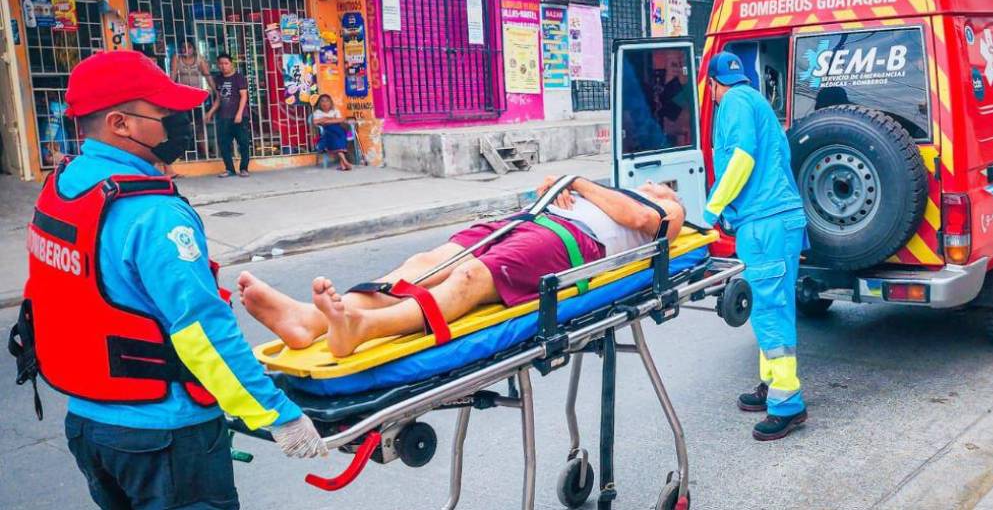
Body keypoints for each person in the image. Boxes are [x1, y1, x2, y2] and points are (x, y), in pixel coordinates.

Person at [15, 50, 325, 510]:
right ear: (120, 123)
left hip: (88, 426)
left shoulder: (64, 186)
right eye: (163, 113)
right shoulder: (152, 213)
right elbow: (202, 330)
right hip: (164, 437)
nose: (179, 121)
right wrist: (277, 414)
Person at [237, 177, 685, 357]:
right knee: (426, 261)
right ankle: (309, 319)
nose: (651, 182)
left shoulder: (666, 208)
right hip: (533, 221)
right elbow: (555, 189)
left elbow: (643, 221)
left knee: (469, 279)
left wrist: (576, 182)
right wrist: (558, 186)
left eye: (660, 186)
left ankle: (364, 326)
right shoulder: (611, 189)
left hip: (568, 244)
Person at [704, 51, 810, 442]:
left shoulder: (732, 103)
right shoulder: (756, 101)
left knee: (768, 308)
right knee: (770, 304)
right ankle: (770, 384)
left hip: (765, 223)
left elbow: (742, 160)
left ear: (715, 85)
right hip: (775, 219)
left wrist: (711, 210)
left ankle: (787, 403)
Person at [206, 53, 251, 178]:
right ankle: (229, 169)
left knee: (243, 143)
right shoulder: (218, 79)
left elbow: (244, 96)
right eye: (220, 64)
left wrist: (239, 114)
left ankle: (244, 168)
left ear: (231, 64)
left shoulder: (239, 77)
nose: (223, 66)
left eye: (226, 63)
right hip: (224, 116)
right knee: (224, 144)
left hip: (239, 116)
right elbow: (219, 99)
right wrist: (210, 112)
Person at [311, 94, 353, 171]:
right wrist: (330, 118)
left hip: (338, 129)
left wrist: (326, 120)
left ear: (330, 102)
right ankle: (345, 162)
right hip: (326, 131)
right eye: (322, 101)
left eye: (327, 101)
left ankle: (343, 165)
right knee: (335, 137)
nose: (325, 103)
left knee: (341, 135)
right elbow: (315, 122)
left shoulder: (335, 110)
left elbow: (341, 120)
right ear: (319, 103)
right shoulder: (317, 112)